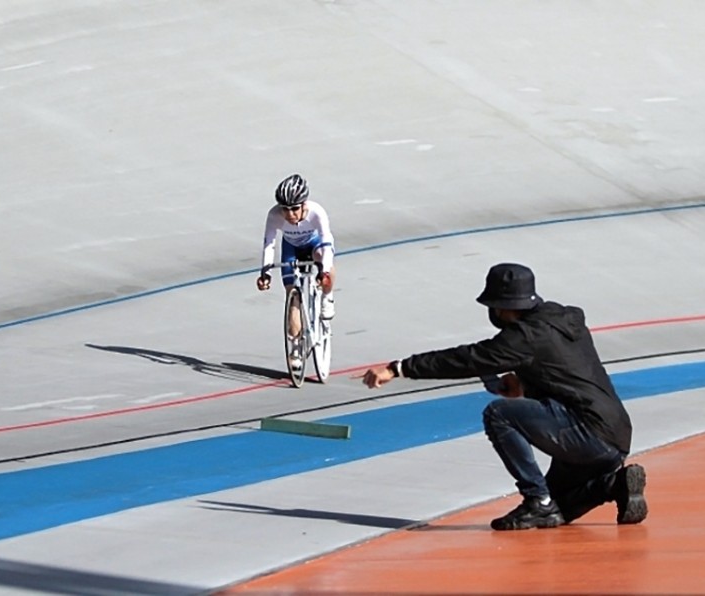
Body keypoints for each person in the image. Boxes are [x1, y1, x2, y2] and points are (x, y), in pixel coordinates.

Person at [361, 263, 647, 531]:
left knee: (499, 414)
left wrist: (398, 368)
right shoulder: (561, 320)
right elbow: (564, 370)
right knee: (558, 510)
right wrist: (524, 382)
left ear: (500, 307)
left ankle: (537, 499)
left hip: (587, 434)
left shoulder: (525, 336)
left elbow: (469, 359)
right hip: (615, 436)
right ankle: (614, 485)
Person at [256, 173, 336, 370]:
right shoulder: (274, 215)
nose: (290, 214)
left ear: (304, 205)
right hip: (291, 248)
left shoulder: (316, 212)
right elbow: (269, 243)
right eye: (285, 209)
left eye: (294, 209)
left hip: (315, 244)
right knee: (293, 296)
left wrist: (324, 271)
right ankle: (296, 347)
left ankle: (327, 297)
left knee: (323, 258)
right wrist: (265, 271)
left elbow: (327, 241)